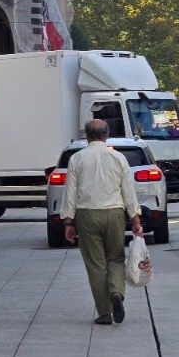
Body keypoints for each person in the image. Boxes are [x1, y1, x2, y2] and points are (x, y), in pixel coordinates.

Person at [61, 119, 143, 325]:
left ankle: (105, 312)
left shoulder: (76, 159)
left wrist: (68, 223)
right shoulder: (118, 157)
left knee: (95, 265)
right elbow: (128, 191)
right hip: (114, 213)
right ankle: (116, 292)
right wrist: (135, 219)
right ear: (106, 135)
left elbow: (70, 192)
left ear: (86, 135)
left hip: (86, 215)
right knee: (115, 258)